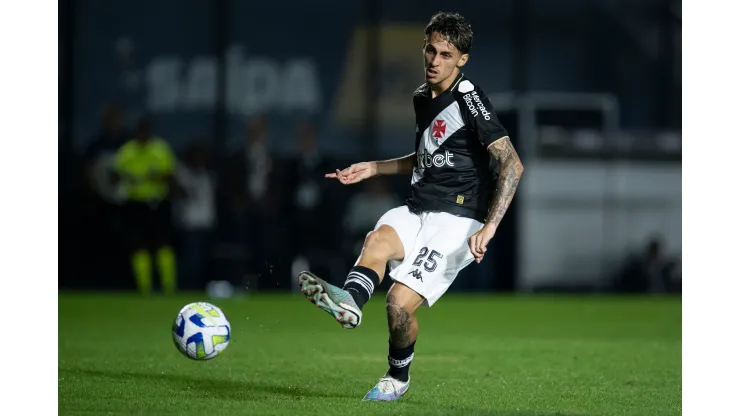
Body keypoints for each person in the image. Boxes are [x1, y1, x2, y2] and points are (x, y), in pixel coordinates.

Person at [298, 12, 524, 401]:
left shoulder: (470, 98)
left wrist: (490, 226)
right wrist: (373, 167)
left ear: (462, 59)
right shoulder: (422, 95)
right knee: (378, 240)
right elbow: (426, 155)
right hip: (418, 208)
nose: (434, 61)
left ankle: (397, 377)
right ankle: (350, 302)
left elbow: (512, 163)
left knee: (398, 307)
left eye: (446, 55)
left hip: (457, 220)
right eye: (430, 50)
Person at [114, 117, 179, 295]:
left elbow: (170, 175)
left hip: (157, 202)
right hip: (135, 203)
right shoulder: (127, 152)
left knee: (163, 244)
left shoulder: (160, 149)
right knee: (138, 245)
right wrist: (128, 177)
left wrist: (156, 177)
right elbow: (115, 175)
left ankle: (168, 287)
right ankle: (144, 289)